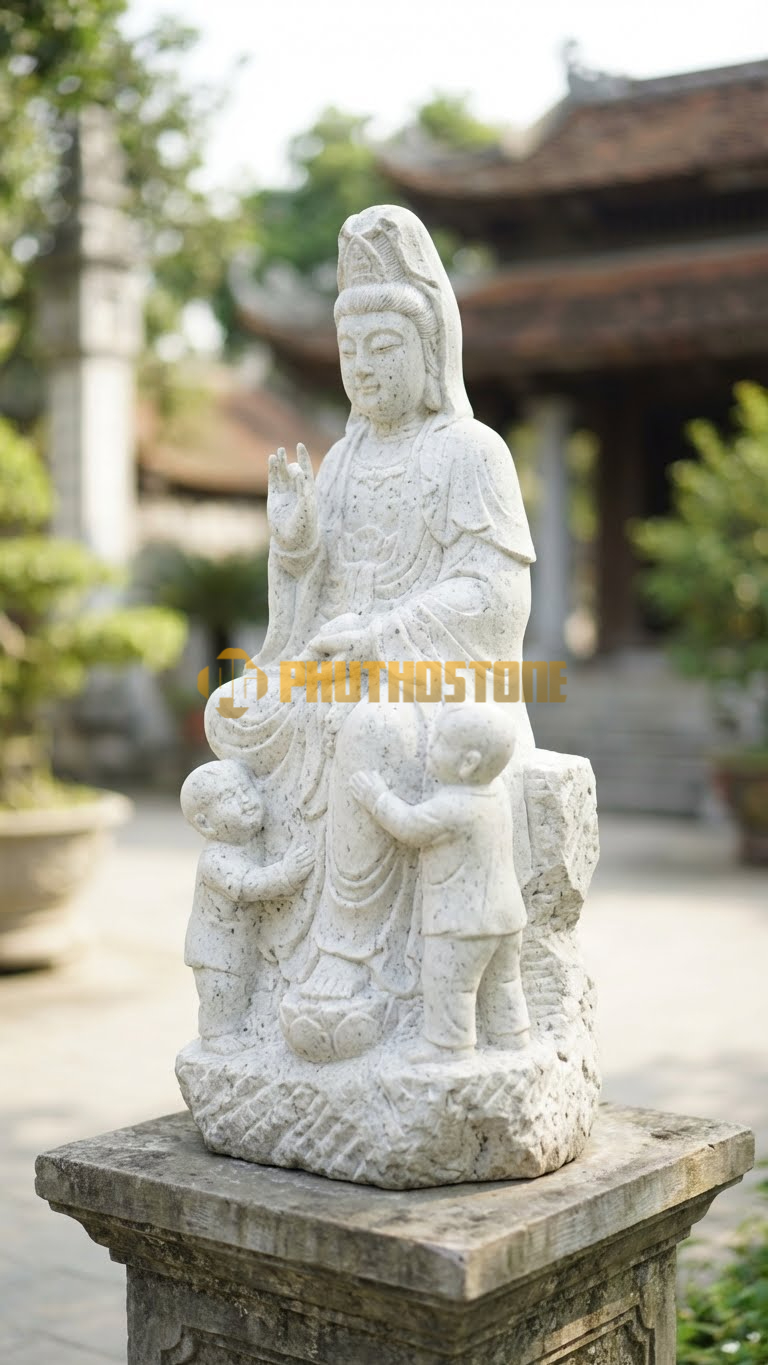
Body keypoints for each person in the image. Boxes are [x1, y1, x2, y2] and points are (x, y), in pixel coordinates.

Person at [203, 205, 537, 1054]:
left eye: (384, 346)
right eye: (351, 350)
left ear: (428, 351)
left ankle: (346, 959)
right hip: (338, 661)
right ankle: (265, 960)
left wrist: (385, 634)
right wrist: (295, 543)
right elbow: (313, 594)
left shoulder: (471, 452)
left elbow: (498, 596)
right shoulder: (344, 458)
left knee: (370, 728)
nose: (363, 367)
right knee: (235, 709)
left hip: (436, 675)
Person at [350, 706, 530, 1058]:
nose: (429, 747)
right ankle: (512, 1035)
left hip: (462, 922)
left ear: (468, 763)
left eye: (439, 743)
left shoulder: (452, 807)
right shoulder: (497, 793)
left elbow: (409, 826)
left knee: (450, 983)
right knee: (504, 981)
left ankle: (449, 1046)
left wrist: (377, 797)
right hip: (507, 917)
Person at [180, 760, 313, 1052]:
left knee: (242, 986)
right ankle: (216, 1034)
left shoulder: (249, 841)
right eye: (230, 797)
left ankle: (235, 1024)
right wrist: (285, 874)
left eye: (245, 789)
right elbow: (246, 885)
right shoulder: (216, 860)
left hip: (242, 941)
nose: (245, 800)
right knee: (222, 990)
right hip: (215, 950)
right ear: (205, 823)